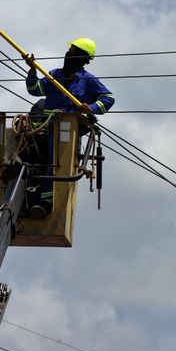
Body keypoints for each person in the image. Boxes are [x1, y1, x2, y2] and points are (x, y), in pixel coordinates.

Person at [22, 37, 114, 217]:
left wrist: (92, 107)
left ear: (84, 59)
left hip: (65, 132)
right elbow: (35, 89)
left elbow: (108, 98)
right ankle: (30, 193)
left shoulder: (88, 80)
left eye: (74, 52)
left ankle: (46, 202)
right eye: (69, 51)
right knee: (31, 158)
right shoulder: (54, 75)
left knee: (54, 162)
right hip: (43, 129)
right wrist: (32, 70)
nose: (69, 55)